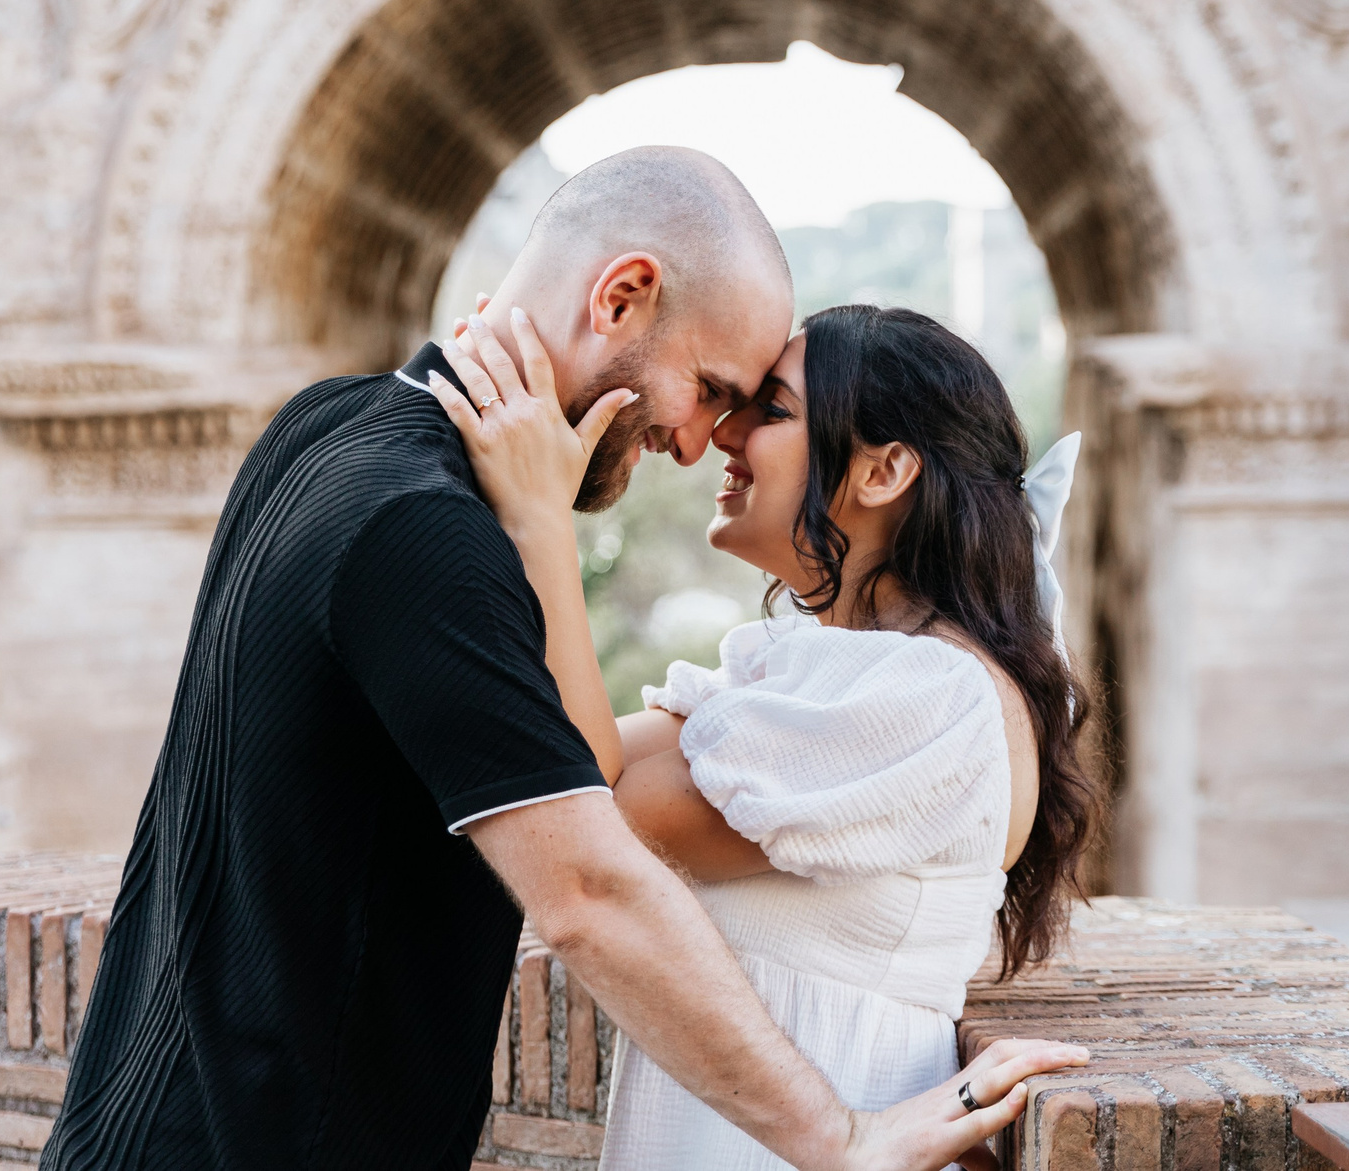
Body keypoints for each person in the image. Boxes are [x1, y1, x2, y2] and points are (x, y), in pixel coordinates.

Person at [40, 146, 1085, 1171]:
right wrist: (840, 1139)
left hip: (137, 1119)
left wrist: (537, 520)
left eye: (751, 408)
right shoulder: (424, 530)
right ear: (622, 297)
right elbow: (586, 886)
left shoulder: (320, 426)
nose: (697, 443)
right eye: (713, 387)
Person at [431, 299, 1100, 1171]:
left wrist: (541, 520)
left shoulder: (932, 697)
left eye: (772, 410)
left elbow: (583, 805)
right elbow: (574, 761)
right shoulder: (827, 664)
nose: (723, 433)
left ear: (885, 468)